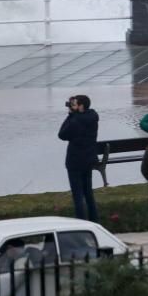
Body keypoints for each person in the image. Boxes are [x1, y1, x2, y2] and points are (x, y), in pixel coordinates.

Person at [58, 94, 99, 222]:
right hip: (88, 160)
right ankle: (94, 223)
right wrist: (74, 114)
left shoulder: (76, 120)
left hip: (75, 162)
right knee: (88, 194)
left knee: (78, 196)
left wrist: (70, 115)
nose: (72, 106)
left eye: (74, 104)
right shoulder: (93, 117)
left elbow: (62, 134)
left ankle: (82, 224)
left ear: (81, 106)